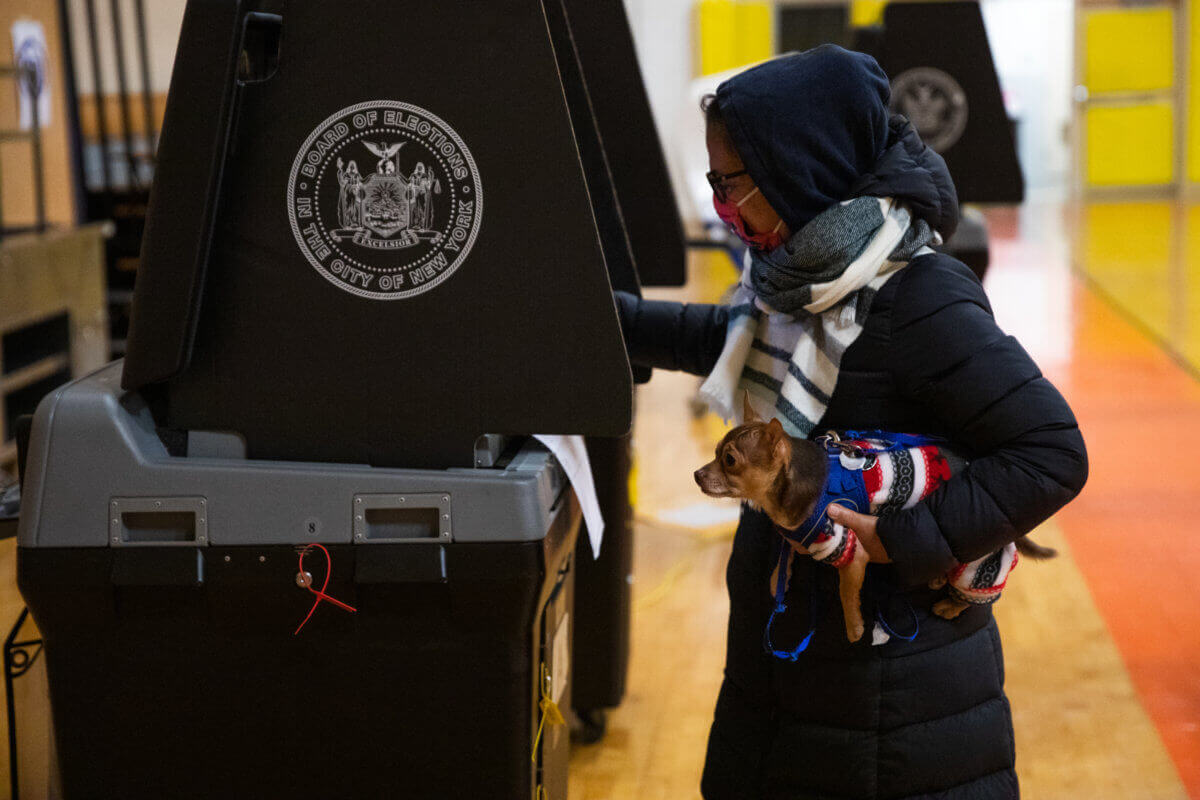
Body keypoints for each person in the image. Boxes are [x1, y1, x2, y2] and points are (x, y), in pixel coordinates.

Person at [614, 45, 1087, 799]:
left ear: (800, 170)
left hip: (890, 701)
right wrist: (605, 319)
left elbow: (1051, 451)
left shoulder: (919, 297)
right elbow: (724, 336)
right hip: (789, 667)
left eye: (733, 183)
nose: (722, 205)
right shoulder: (796, 281)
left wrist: (901, 541)